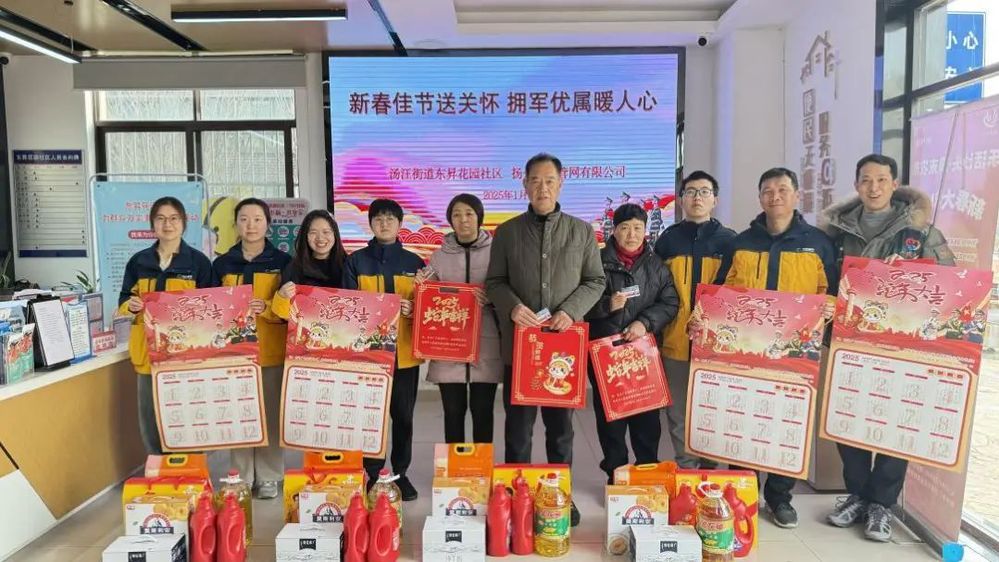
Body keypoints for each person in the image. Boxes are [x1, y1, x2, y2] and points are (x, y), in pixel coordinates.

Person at [820, 153, 955, 542]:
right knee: (849, 417)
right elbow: (822, 281)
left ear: (895, 185)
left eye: (881, 180)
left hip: (902, 345)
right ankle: (857, 495)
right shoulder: (837, 232)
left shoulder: (921, 233)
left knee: (897, 421)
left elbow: (948, 281)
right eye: (866, 180)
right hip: (850, 341)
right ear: (856, 185)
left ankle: (882, 502)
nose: (873, 187)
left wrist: (911, 272)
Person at [711, 167, 838, 529]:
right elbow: (720, 292)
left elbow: (832, 292)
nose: (775, 196)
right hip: (746, 352)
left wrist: (830, 307)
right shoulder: (741, 243)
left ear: (797, 195)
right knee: (742, 420)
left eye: (783, 189)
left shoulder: (818, 243)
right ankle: (743, 491)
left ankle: (780, 497)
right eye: (768, 190)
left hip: (794, 354)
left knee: (787, 424)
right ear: (760, 197)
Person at [485, 153, 606, 526]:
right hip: (521, 349)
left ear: (561, 182)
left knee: (561, 432)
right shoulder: (507, 232)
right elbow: (494, 282)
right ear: (524, 184)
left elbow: (595, 281)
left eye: (549, 180)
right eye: (535, 180)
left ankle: (560, 495)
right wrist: (512, 307)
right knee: (518, 430)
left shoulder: (581, 232)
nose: (542, 187)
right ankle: (516, 496)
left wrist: (570, 311)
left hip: (562, 352)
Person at [585, 203, 679, 482]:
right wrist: (606, 305)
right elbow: (580, 303)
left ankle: (647, 470)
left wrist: (644, 323)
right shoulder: (595, 262)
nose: (631, 234)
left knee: (647, 418)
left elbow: (670, 302)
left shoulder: (656, 265)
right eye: (625, 228)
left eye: (638, 228)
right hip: (606, 353)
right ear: (614, 231)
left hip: (642, 354)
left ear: (645, 230)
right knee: (611, 418)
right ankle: (616, 473)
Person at [118, 196, 215, 455]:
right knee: (150, 421)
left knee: (188, 417)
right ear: (153, 224)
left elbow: (211, 308)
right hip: (148, 356)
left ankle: (191, 471)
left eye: (173, 219)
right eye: (160, 219)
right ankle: (158, 469)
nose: (167, 224)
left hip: (186, 357)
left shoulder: (198, 263)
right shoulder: (139, 262)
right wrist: (131, 305)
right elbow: (124, 300)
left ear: (183, 223)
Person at [343, 198, 425, 501]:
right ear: (370, 224)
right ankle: (374, 473)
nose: (384, 223)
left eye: (391, 218)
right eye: (378, 218)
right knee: (371, 418)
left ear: (400, 224)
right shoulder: (356, 262)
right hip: (370, 357)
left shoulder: (415, 264)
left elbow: (428, 307)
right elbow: (348, 306)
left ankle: (401, 474)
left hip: (404, 356)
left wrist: (413, 309)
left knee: (403, 418)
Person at [654, 171, 736, 468]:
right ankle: (686, 470)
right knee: (678, 412)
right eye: (690, 192)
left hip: (716, 346)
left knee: (713, 410)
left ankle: (710, 470)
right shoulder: (668, 240)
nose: (697, 197)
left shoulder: (731, 241)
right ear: (681, 199)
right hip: (675, 341)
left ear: (715, 199)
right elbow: (656, 288)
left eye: (704, 192)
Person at [212, 198, 292, 500]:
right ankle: (241, 476)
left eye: (257, 219)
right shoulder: (222, 264)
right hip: (234, 354)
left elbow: (290, 308)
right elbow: (210, 306)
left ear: (267, 224)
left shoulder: (283, 262)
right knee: (240, 414)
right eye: (244, 219)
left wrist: (268, 306)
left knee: (269, 415)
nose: (251, 225)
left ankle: (270, 476)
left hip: (271, 351)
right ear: (235, 224)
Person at [417, 194, 503, 444]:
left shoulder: (497, 253)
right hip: (449, 345)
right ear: (450, 220)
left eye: (469, 213)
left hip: (486, 344)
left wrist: (492, 297)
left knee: (483, 412)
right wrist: (422, 286)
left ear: (479, 217)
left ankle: (481, 464)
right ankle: (455, 465)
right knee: (453, 413)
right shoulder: (439, 256)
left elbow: (509, 289)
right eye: (456, 214)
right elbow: (429, 294)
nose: (463, 219)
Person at [273, 209, 348, 319]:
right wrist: (282, 297)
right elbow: (282, 317)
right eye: (313, 232)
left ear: (335, 234)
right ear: (305, 236)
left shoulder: (349, 265)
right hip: (304, 329)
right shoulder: (293, 268)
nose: (320, 238)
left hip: (342, 328)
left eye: (326, 232)